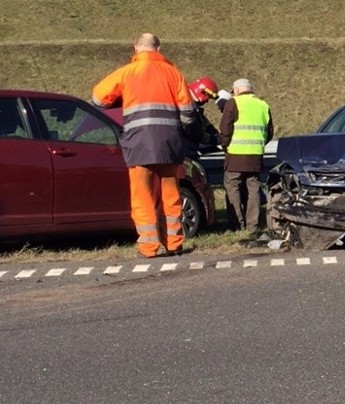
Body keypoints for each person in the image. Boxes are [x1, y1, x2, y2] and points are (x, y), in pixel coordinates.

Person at [92, 33, 194, 258]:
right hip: (169, 145)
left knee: (142, 196)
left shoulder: (127, 72)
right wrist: (178, 133)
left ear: (135, 48)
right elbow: (188, 112)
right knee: (171, 194)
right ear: (159, 48)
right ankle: (175, 244)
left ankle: (148, 247)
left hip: (138, 144)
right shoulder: (174, 73)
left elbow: (98, 99)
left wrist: (120, 99)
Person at [218, 78, 273, 237]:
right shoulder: (263, 105)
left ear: (236, 90)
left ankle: (237, 225)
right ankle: (253, 225)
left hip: (235, 155)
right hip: (255, 155)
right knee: (253, 189)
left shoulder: (233, 103)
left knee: (233, 188)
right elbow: (269, 132)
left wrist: (225, 145)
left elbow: (225, 129)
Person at [185, 76, 221, 157]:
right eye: (207, 97)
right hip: (186, 152)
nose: (207, 101)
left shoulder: (192, 106)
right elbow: (197, 133)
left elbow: (205, 124)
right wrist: (216, 139)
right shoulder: (190, 108)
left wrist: (216, 134)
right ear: (202, 92)